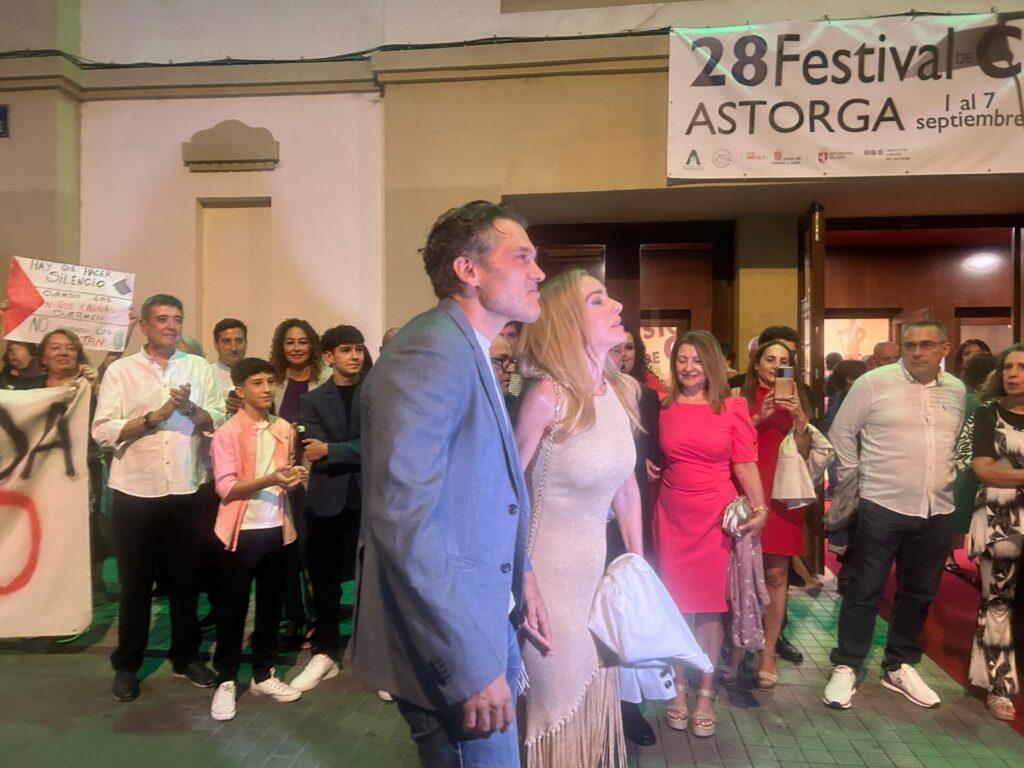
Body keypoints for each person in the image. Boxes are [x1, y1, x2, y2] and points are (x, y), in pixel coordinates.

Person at [352, 200, 549, 768]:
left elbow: (481, 494)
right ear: (468, 269)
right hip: (457, 640)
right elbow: (403, 521)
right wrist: (468, 665)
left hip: (484, 616)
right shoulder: (431, 349)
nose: (538, 272)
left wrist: (521, 576)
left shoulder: (467, 348)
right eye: (521, 257)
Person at [514, 269, 643, 767]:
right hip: (546, 582)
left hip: (597, 580)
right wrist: (524, 581)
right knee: (554, 709)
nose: (617, 306)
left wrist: (636, 569)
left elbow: (626, 489)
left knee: (593, 705)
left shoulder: (621, 392)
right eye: (598, 300)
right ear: (568, 320)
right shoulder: (546, 396)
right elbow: (508, 493)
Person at [824, 320, 965, 710]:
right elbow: (841, 433)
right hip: (881, 505)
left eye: (927, 344)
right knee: (864, 589)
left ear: (945, 348)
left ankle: (899, 664)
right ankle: (848, 664)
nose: (917, 352)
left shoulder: (956, 390)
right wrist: (856, 480)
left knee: (918, 593)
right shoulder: (874, 383)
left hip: (937, 507)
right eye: (910, 345)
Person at [92, 294, 225, 702]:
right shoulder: (121, 371)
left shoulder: (198, 367)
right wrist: (155, 417)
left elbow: (218, 417)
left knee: (186, 580)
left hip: (187, 488)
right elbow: (102, 430)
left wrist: (190, 409)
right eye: (162, 318)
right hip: (136, 490)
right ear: (145, 326)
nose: (171, 325)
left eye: (177, 318)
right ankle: (127, 664)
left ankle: (186, 657)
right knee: (135, 583)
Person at [653, 330, 768, 738]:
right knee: (674, 607)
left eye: (697, 360)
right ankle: (677, 689)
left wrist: (760, 508)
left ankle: (706, 691)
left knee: (709, 609)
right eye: (682, 360)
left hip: (714, 518)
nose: (689, 368)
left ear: (712, 364)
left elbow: (745, 463)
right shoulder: (662, 406)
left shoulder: (732, 407)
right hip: (671, 514)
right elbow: (647, 452)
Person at [208, 357, 308, 721]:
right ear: (240, 390)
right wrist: (272, 479)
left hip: (277, 528)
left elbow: (285, 477)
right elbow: (226, 488)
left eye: (270, 381)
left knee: (270, 607)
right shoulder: (227, 432)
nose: (267, 389)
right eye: (257, 383)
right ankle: (226, 679)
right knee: (232, 609)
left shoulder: (283, 428)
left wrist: (293, 479)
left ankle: (263, 674)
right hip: (239, 532)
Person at [290, 325, 366, 692]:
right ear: (328, 356)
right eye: (346, 349)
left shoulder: (376, 392)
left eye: (358, 349)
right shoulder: (313, 400)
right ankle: (325, 652)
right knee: (324, 583)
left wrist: (333, 450)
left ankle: (375, 656)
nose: (355, 356)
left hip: (371, 498)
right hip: (326, 500)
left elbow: (382, 443)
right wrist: (350, 450)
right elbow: (312, 451)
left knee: (373, 582)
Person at [739, 341, 815, 690]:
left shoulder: (799, 398)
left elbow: (804, 453)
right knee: (738, 572)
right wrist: (759, 416)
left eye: (784, 361)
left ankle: (768, 651)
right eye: (770, 359)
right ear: (756, 364)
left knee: (776, 574)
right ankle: (737, 646)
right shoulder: (738, 396)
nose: (775, 365)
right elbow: (731, 444)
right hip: (745, 491)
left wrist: (800, 420)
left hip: (782, 495)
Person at [968, 343, 1024, 721]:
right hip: (999, 516)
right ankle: (998, 686)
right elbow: (985, 470)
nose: (1013, 373)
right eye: (1008, 366)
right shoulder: (988, 414)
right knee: (998, 601)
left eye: (1021, 367)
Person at [268, 318, 330, 644]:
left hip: (317, 475)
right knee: (286, 550)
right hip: (280, 477)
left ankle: (319, 618)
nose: (296, 348)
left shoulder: (326, 378)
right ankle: (294, 615)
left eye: (302, 342)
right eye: (289, 342)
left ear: (313, 346)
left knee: (313, 551)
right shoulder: (273, 381)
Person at [949, 351, 998, 574]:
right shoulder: (994, 403)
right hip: (988, 463)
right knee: (980, 513)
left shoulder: (964, 400)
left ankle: (948, 555)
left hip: (960, 462)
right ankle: (980, 557)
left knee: (958, 509)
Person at [211, 318, 248, 413]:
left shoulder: (258, 374)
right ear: (216, 344)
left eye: (239, 341)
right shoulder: (206, 374)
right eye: (226, 341)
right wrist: (223, 408)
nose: (234, 348)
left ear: (246, 343)